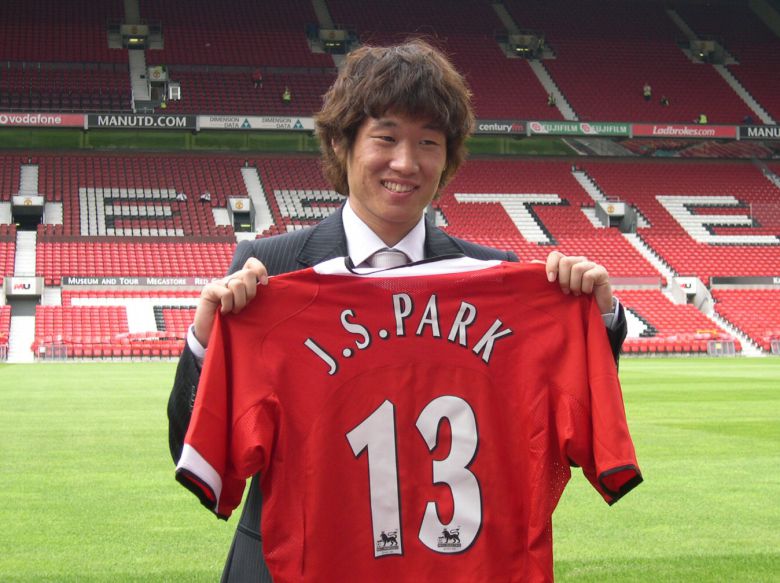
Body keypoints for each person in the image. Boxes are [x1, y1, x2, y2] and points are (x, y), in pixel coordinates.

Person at [168, 38, 627, 582]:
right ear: (341, 142)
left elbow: (556, 419)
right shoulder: (269, 271)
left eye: (428, 142)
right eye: (385, 138)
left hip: (456, 569)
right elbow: (194, 446)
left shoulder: (497, 278)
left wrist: (596, 320)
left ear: (447, 158)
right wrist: (206, 344)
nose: (406, 163)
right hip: (289, 566)